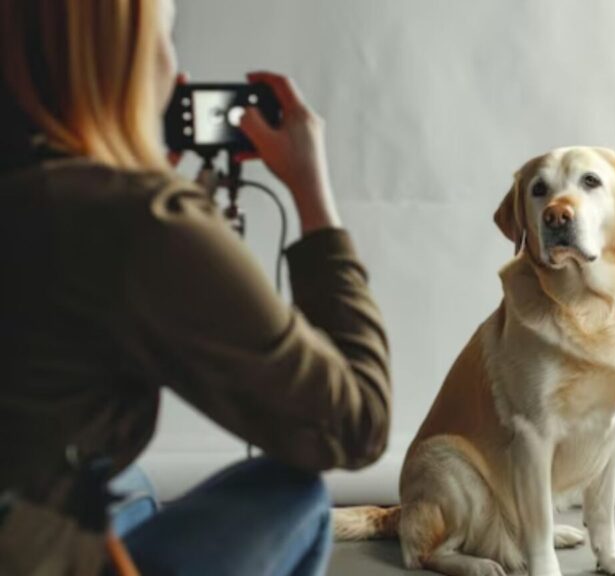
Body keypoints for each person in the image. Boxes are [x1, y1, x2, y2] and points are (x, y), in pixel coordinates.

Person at [0, 1, 391, 575]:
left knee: (128, 484)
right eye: (166, 35)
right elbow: (355, 423)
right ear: (122, 60)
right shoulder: (134, 218)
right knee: (294, 494)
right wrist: (315, 201)